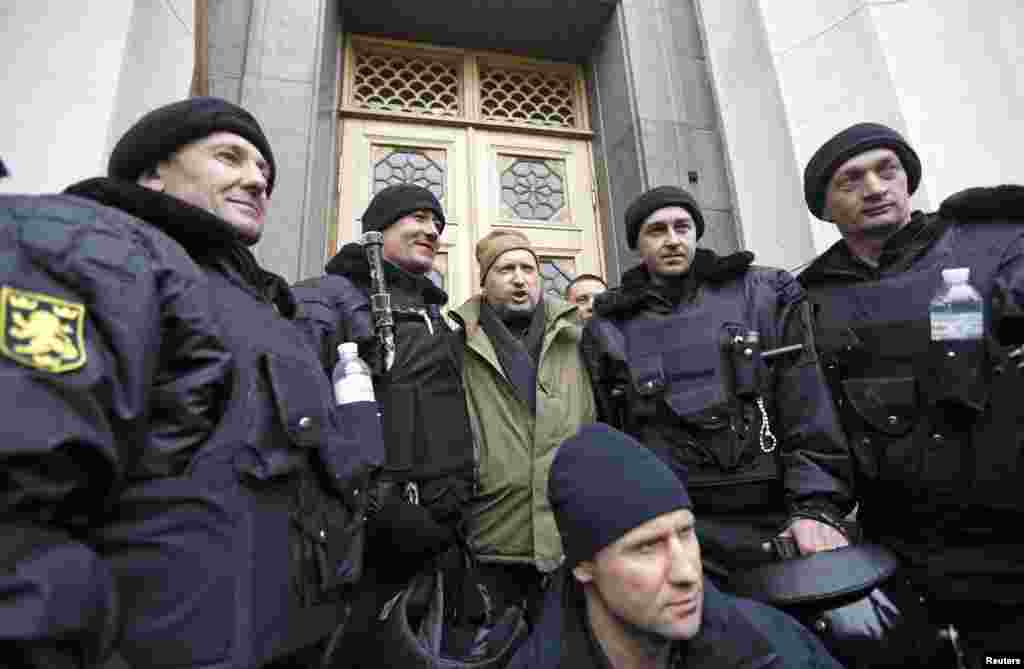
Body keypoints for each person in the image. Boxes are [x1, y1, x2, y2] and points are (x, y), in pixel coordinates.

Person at [0, 96, 384, 668]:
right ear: (153, 172)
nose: (255, 180)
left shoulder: (269, 307)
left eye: (265, 173)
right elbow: (20, 507)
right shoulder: (87, 252)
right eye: (229, 157)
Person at [798, 122, 1024, 667]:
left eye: (888, 170)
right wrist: (815, 510)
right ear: (826, 207)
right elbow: (808, 417)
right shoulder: (808, 299)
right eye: (851, 179)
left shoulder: (991, 246)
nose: (875, 187)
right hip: (902, 551)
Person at [580, 185, 854, 581]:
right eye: (657, 231)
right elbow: (611, 435)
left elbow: (806, 402)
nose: (673, 240)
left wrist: (816, 508)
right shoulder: (610, 328)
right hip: (672, 534)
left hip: (776, 524)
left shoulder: (763, 295)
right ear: (636, 244)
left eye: (683, 227)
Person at [292, 184, 480, 667]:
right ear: (378, 229)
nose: (432, 230)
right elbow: (299, 417)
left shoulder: (439, 316)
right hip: (365, 539)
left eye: (437, 222)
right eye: (416, 218)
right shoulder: (326, 300)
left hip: (440, 532)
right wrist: (369, 505)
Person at [508, 423, 843, 668]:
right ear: (583, 565)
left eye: (685, 533)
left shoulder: (780, 648)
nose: (687, 573)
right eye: (647, 548)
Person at [448, 229, 597, 624]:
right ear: (485, 280)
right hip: (491, 537)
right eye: (505, 269)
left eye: (528, 269)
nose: (519, 279)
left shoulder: (577, 340)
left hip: (571, 535)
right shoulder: (458, 346)